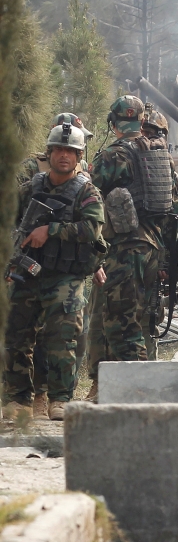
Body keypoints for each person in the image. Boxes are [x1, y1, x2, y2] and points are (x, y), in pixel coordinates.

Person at [5, 123, 105, 421]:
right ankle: (18, 399)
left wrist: (51, 230)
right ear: (49, 153)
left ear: (79, 156)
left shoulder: (87, 191)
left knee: (63, 337)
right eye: (59, 150)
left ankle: (60, 399)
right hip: (28, 273)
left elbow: (92, 228)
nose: (64, 156)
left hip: (65, 276)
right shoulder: (30, 189)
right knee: (15, 334)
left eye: (71, 151)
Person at [88, 94, 178, 398]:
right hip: (153, 246)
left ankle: (135, 394)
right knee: (145, 320)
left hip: (123, 249)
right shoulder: (160, 154)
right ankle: (146, 389)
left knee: (122, 324)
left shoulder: (111, 156)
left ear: (113, 123)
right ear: (142, 121)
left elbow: (89, 200)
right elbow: (174, 210)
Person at [136, 107, 178, 359]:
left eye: (154, 133)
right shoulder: (122, 162)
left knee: (149, 320)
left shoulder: (167, 171)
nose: (149, 139)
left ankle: (146, 379)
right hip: (126, 257)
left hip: (156, 259)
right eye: (143, 133)